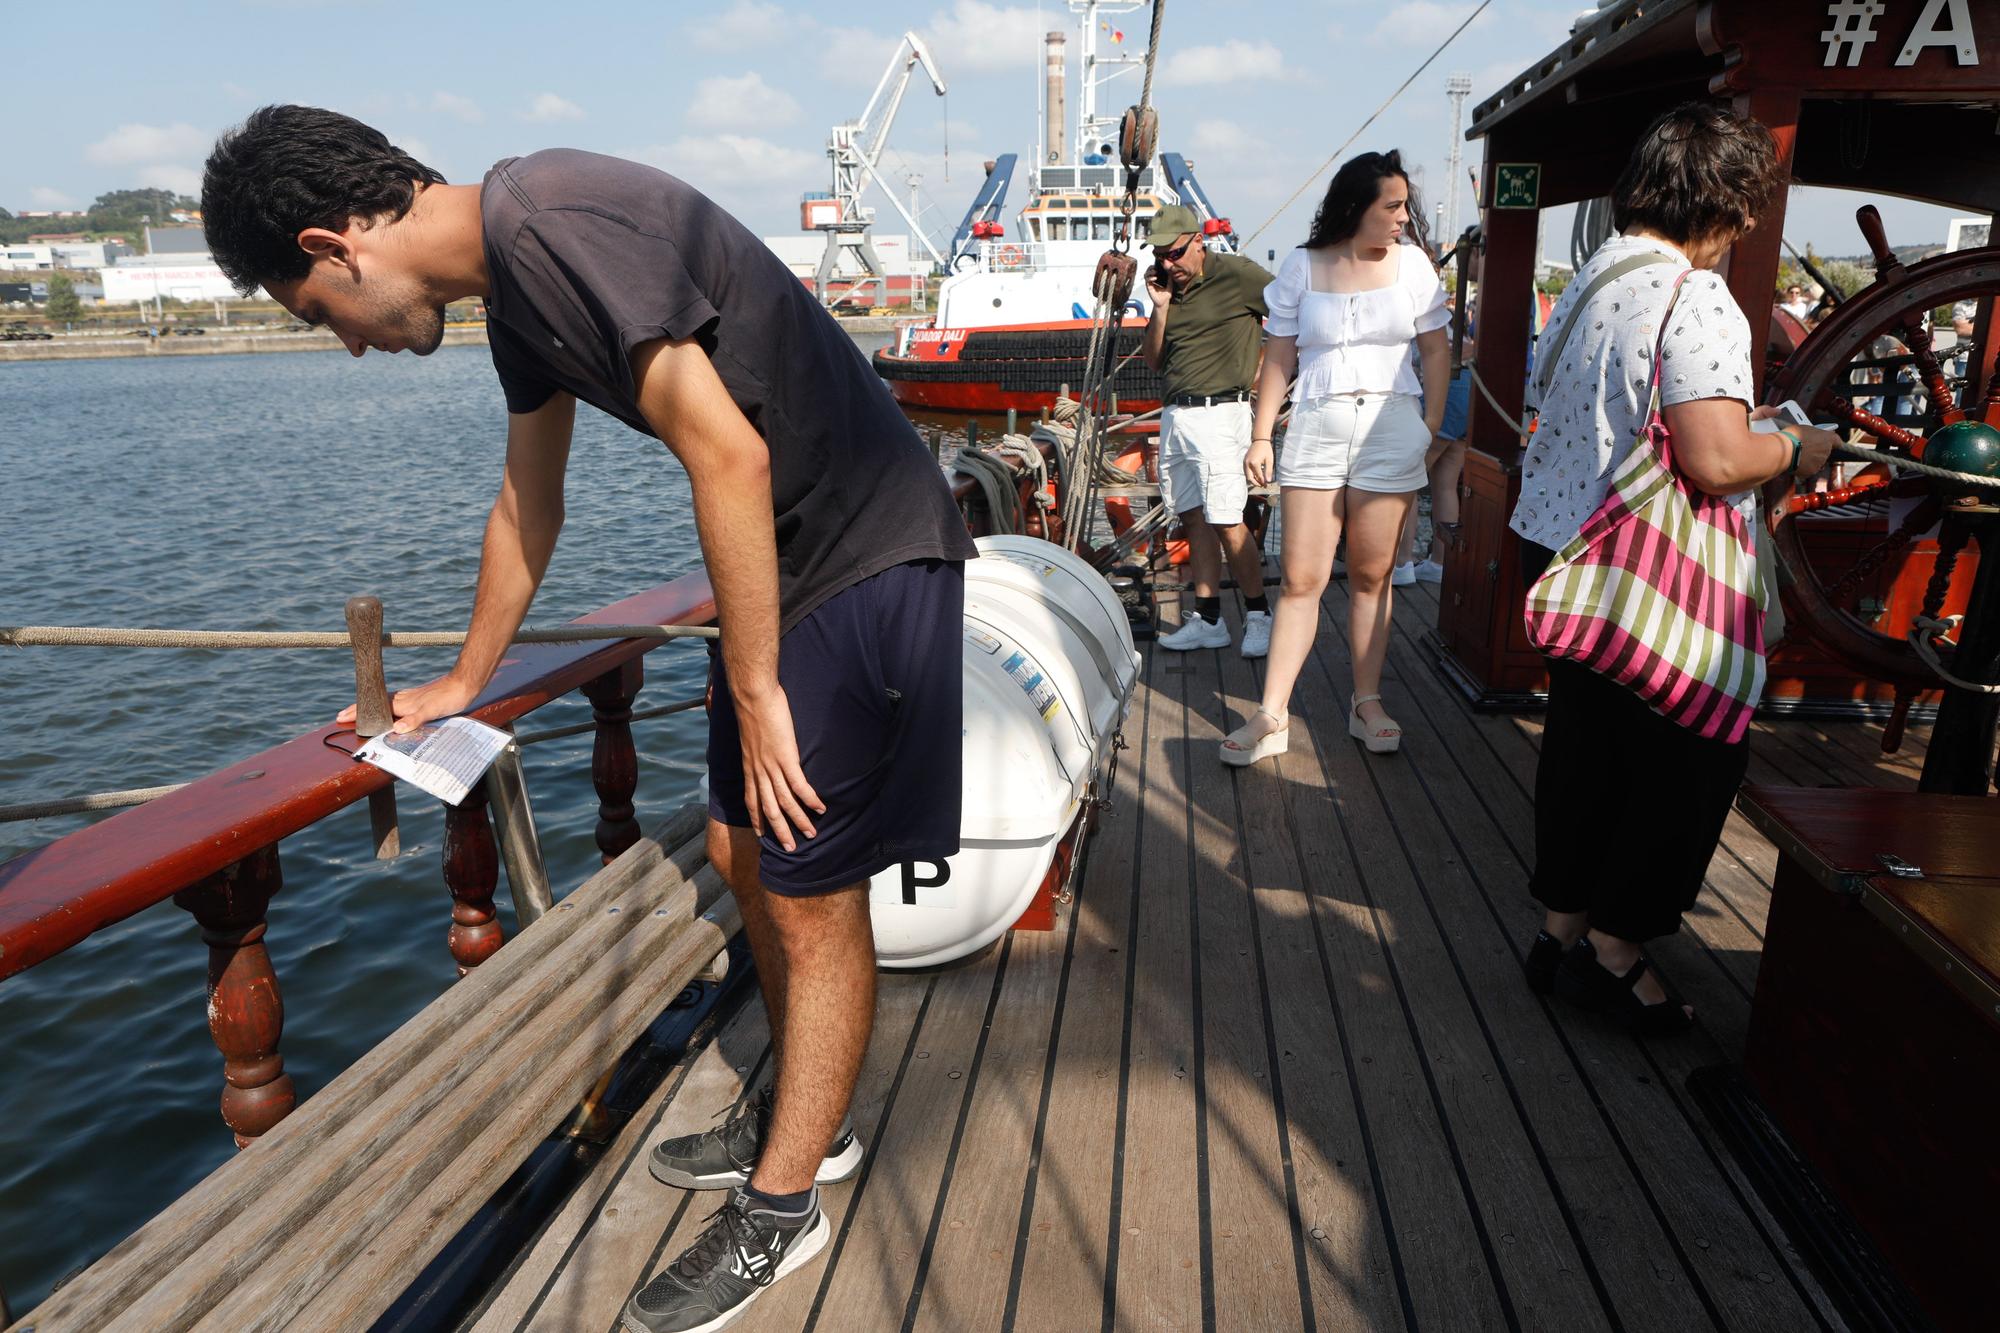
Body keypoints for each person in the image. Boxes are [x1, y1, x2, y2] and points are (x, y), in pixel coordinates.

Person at [201, 106, 978, 1330]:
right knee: (738, 850)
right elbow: (527, 502)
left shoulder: (551, 221)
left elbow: (724, 453)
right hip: (783, 574)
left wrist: (760, 686)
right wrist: (462, 680)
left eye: (315, 314)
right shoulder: (521, 291)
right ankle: (801, 1120)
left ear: (335, 244)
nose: (346, 348)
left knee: (809, 890)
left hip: (864, 554)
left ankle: (783, 1209)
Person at [1510, 102, 1839, 1035]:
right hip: (1655, 567)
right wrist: (1795, 449)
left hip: (1567, 552)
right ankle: (1616, 955)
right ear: (1731, 209)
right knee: (1691, 754)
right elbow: (1717, 458)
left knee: (1585, 749)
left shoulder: (1588, 281)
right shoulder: (1694, 297)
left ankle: (1560, 930)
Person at [1222, 150, 1450, 765]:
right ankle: (1272, 714)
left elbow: (1435, 351)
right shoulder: (1302, 265)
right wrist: (1261, 434)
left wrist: (1426, 425)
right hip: (1317, 424)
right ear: (1357, 208)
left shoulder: (1414, 267)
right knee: (1301, 579)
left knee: (1373, 576)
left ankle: (1366, 701)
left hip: (1391, 422)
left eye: (1404, 205)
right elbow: (1278, 357)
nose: (1405, 217)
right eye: (1393, 206)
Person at [1140, 203, 1274, 657]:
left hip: (1222, 414)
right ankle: (1209, 619)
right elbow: (1155, 360)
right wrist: (1159, 308)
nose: (1167, 264)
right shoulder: (1167, 291)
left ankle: (1259, 614)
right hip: (1177, 415)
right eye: (1160, 256)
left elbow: (1295, 315)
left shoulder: (1240, 276)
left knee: (1227, 519)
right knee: (1193, 516)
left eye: (1175, 253)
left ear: (1199, 241)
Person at [1394, 306, 1473, 584]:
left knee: (1407, 479)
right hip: (1469, 389)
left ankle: (1401, 564)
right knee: (1446, 482)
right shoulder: (1447, 315)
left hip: (1447, 390)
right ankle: (1440, 563)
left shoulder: (1415, 313)